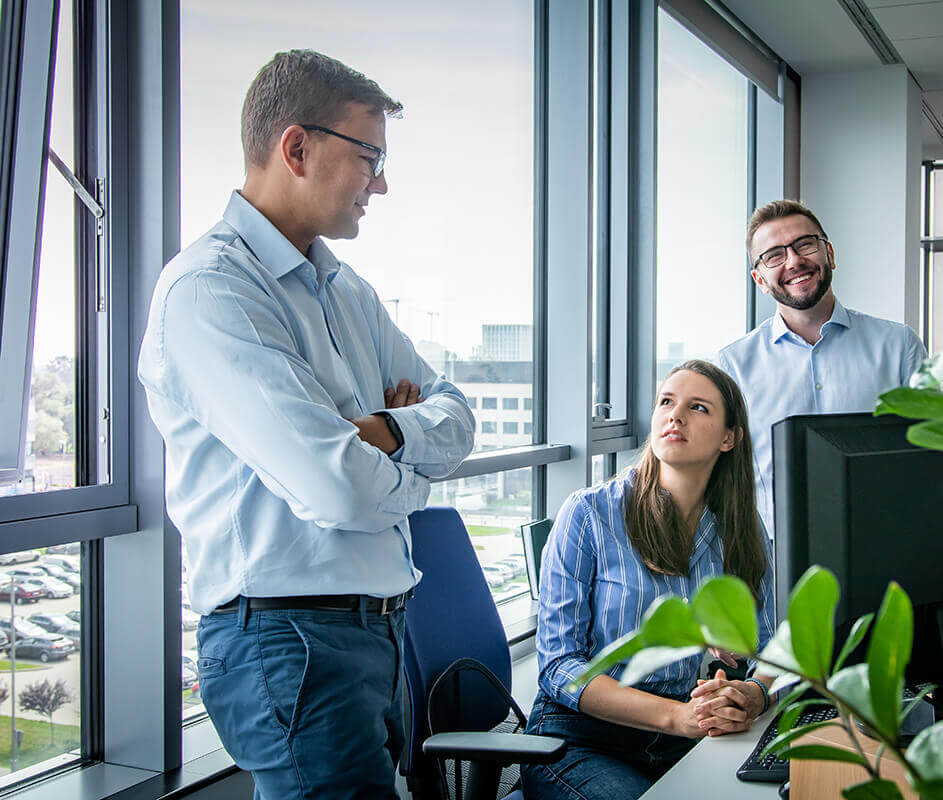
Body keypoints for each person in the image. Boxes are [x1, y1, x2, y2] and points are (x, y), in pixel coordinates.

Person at [137, 50, 474, 799]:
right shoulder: (212, 292)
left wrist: (384, 431)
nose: (381, 183)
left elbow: (456, 416)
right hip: (288, 641)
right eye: (370, 156)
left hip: (377, 630)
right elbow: (339, 489)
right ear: (297, 147)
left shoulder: (346, 291)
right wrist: (414, 471)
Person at [521, 360, 775, 800]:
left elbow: (773, 647)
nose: (675, 415)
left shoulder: (739, 528)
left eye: (698, 407)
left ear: (729, 437)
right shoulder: (589, 514)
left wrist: (752, 693)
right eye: (666, 402)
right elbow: (559, 668)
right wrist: (678, 718)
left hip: (677, 736)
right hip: (577, 740)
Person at [717, 199, 927, 538]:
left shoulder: (898, 345)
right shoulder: (734, 365)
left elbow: (930, 455)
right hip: (777, 562)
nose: (794, 260)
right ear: (759, 279)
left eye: (805, 244)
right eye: (774, 255)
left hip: (886, 544)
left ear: (829, 253)